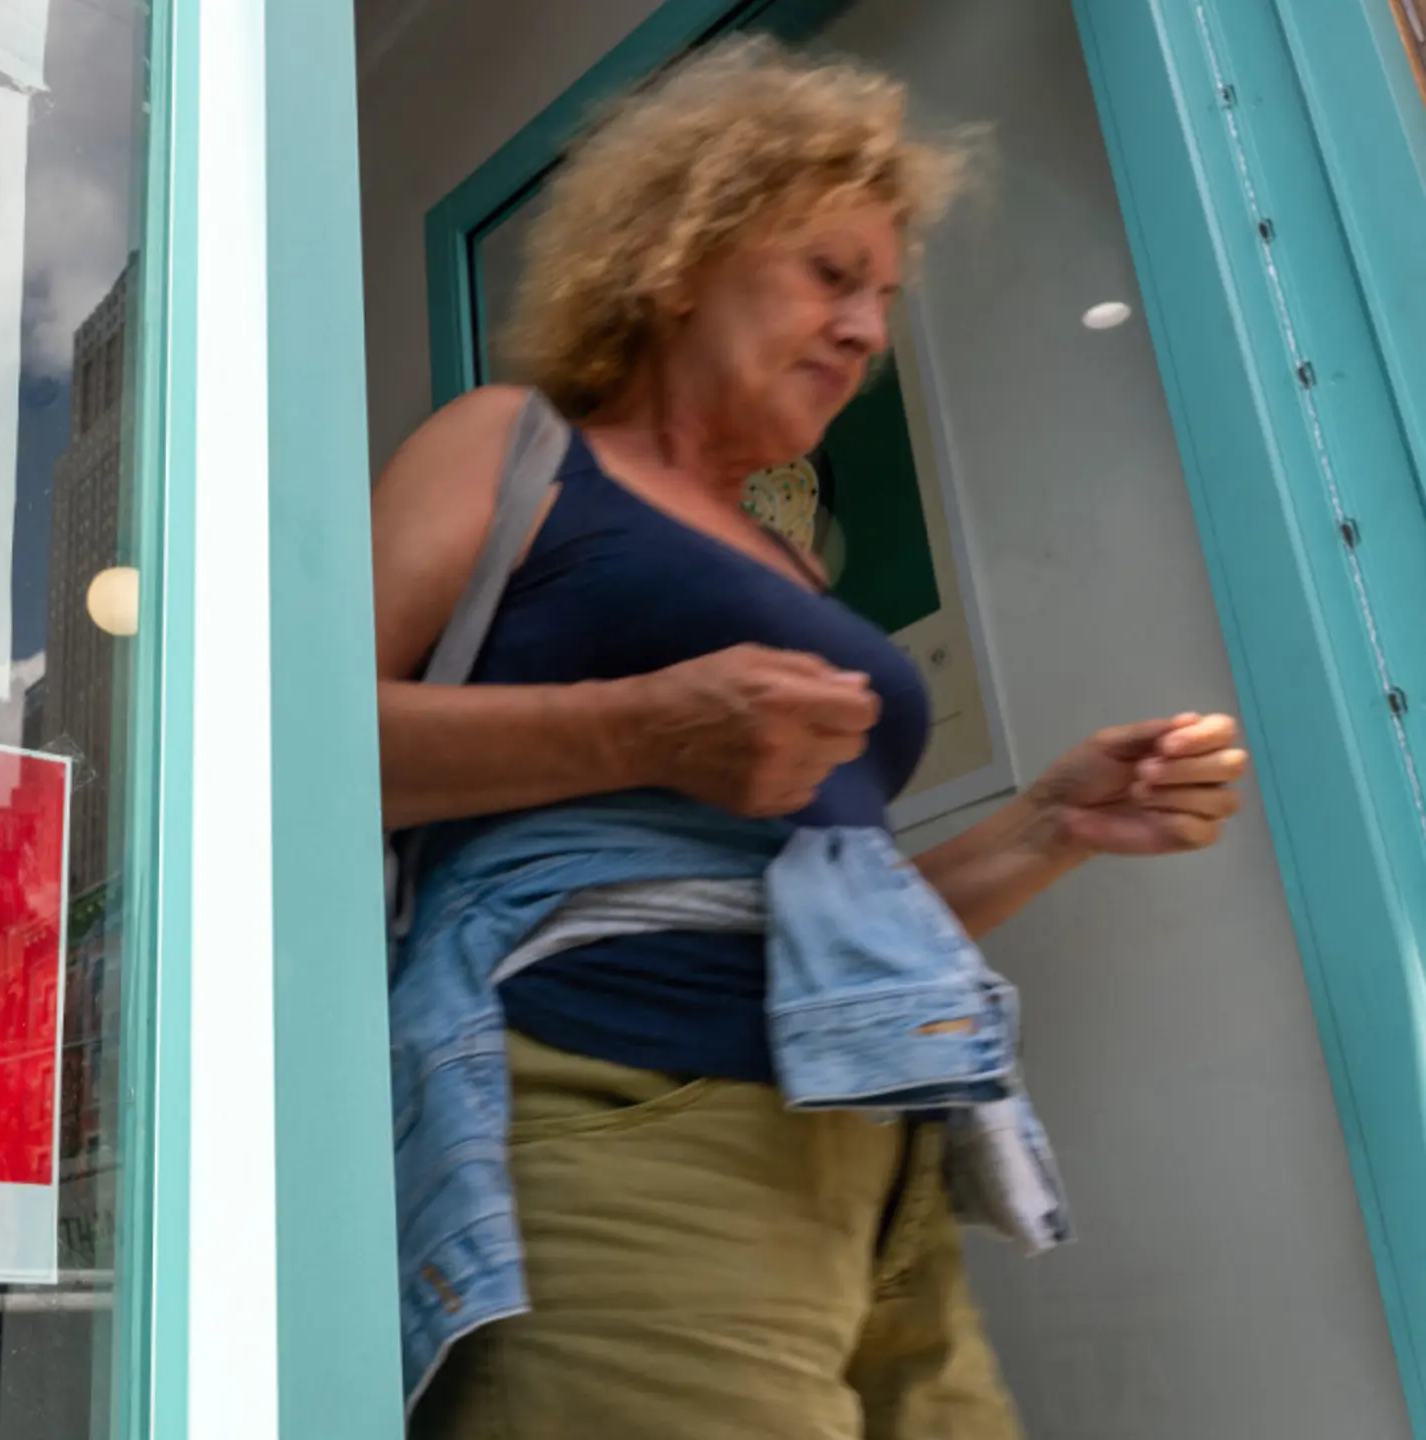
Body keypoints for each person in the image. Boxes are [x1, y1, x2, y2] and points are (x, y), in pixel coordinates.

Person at [374, 37, 1251, 1439]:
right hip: (627, 1122)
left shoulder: (791, 571)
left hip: (884, 1155)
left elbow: (820, 914)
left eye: (885, 297)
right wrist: (638, 731)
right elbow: (290, 758)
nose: (866, 330)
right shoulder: (514, 449)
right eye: (829, 273)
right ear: (677, 258)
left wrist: (1052, 824)